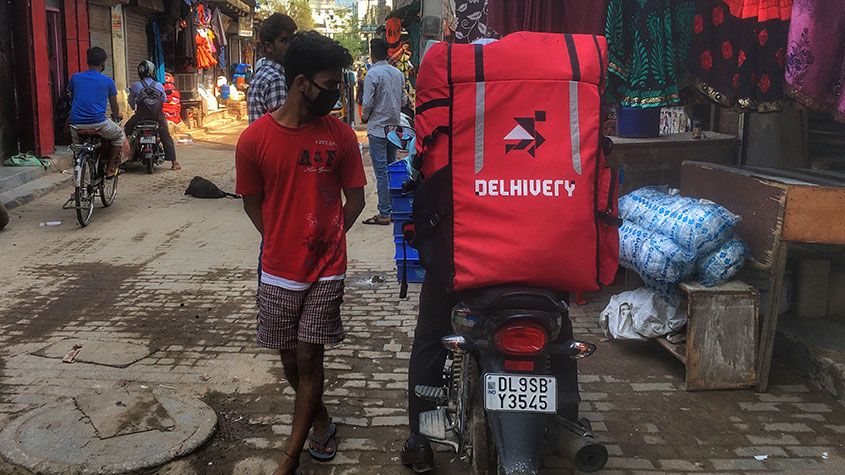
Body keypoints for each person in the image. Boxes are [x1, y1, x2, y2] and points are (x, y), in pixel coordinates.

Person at [235, 31, 366, 475]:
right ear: (301, 83)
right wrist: (278, 238)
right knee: (289, 357)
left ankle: (290, 455)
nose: (336, 93)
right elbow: (252, 201)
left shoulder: (341, 136)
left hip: (328, 269)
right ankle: (321, 418)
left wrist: (332, 238)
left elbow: (357, 201)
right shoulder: (254, 140)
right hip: (278, 268)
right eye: (330, 85)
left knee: (310, 356)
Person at [361, 38, 405, 225]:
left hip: (378, 128)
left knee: (381, 172)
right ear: (387, 52)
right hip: (394, 128)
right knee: (391, 168)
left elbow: (367, 103)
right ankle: (394, 209)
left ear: (372, 54)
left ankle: (384, 212)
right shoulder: (397, 74)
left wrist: (365, 116)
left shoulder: (373, 74)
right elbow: (403, 101)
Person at [68, 47, 125, 178]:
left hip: (76, 124)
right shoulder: (108, 81)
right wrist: (117, 116)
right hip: (98, 123)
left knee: (78, 150)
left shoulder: (75, 78)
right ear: (103, 63)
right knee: (119, 135)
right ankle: (110, 168)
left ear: (87, 61)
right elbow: (114, 106)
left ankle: (79, 171)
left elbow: (72, 95)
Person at [125, 60, 180, 171]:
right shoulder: (158, 85)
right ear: (153, 72)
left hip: (140, 117)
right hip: (158, 117)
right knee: (166, 136)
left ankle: (123, 157)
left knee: (126, 130)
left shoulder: (136, 86)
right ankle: (174, 163)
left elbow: (131, 102)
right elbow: (164, 99)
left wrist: (133, 108)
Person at [248, 13, 297, 123]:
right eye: (284, 41)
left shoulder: (262, 73)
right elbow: (283, 126)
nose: (290, 46)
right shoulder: (276, 79)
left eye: (291, 40)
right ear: (268, 46)